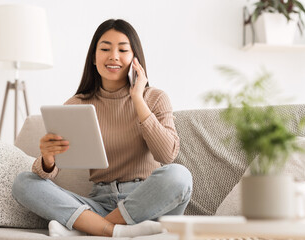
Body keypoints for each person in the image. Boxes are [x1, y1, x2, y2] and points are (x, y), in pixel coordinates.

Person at [12, 19, 192, 238]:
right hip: (99, 202)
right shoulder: (77, 104)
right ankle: (114, 230)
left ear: (135, 58)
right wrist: (48, 159)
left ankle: (91, 228)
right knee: (24, 183)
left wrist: (138, 98)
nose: (114, 56)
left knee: (179, 175)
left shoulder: (154, 98)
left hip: (147, 203)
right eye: (105, 49)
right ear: (94, 59)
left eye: (123, 50)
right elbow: (48, 174)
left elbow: (167, 154)